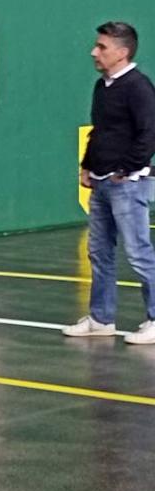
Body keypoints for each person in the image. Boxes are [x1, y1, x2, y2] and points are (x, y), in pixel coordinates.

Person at [65, 21, 155, 344]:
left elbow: (149, 134)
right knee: (99, 253)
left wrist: (126, 169)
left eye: (102, 47)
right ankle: (102, 319)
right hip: (101, 183)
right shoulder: (102, 87)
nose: (94, 51)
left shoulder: (139, 87)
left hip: (128, 184)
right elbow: (99, 130)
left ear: (123, 52)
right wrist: (87, 166)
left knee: (139, 252)